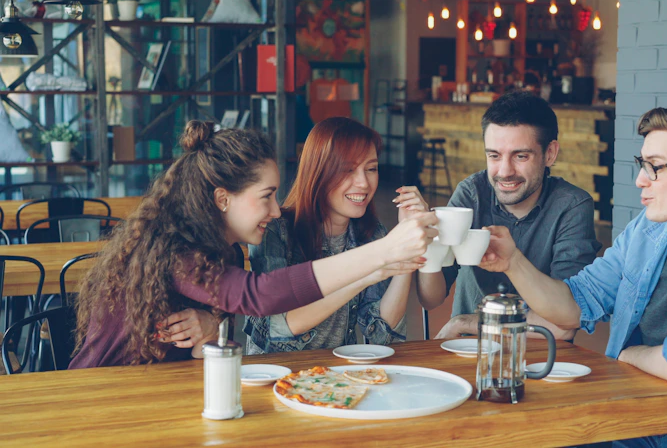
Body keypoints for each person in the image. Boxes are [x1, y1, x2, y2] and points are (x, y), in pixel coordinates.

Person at [478, 100, 667, 447]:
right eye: (642, 164)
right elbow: (575, 304)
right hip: (635, 423)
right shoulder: (651, 227)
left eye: (655, 167)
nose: (641, 180)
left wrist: (626, 355)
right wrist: (513, 262)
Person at [70, 121, 437, 369]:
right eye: (267, 196)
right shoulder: (178, 251)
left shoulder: (225, 251)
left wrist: (212, 323)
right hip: (103, 393)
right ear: (223, 199)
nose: (276, 210)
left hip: (162, 388)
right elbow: (261, 297)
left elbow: (208, 343)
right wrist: (383, 254)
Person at [416, 91, 600, 339]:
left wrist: (465, 323)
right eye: (494, 155)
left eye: (520, 156)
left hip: (540, 359)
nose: (504, 172)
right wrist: (427, 245)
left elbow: (565, 323)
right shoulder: (472, 194)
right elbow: (431, 299)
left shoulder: (571, 206)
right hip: (468, 353)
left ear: (550, 154)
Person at [244, 117, 429, 354]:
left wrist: (406, 253)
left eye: (371, 169)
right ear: (319, 172)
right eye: (348, 170)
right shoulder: (275, 231)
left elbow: (383, 337)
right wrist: (364, 275)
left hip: (336, 381)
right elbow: (278, 327)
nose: (363, 182)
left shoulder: (372, 235)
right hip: (276, 378)